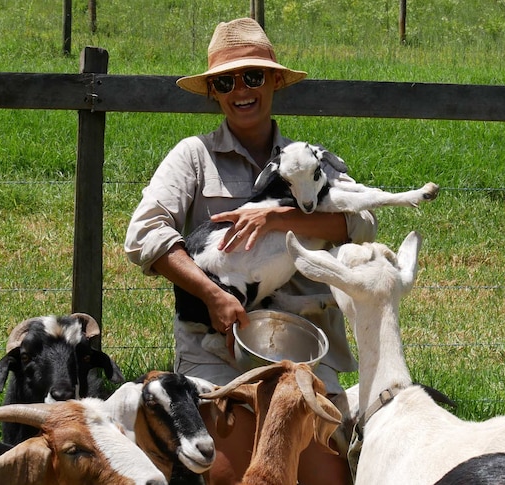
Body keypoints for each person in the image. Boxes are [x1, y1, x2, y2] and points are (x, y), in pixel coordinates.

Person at [124, 17, 376, 485]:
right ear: (214, 93)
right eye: (226, 81)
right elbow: (143, 234)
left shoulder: (308, 158)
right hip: (218, 350)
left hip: (308, 353)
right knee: (228, 476)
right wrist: (213, 295)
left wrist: (279, 218)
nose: (241, 89)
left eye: (254, 76)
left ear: (275, 81)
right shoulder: (193, 157)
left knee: (330, 478)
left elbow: (362, 223)